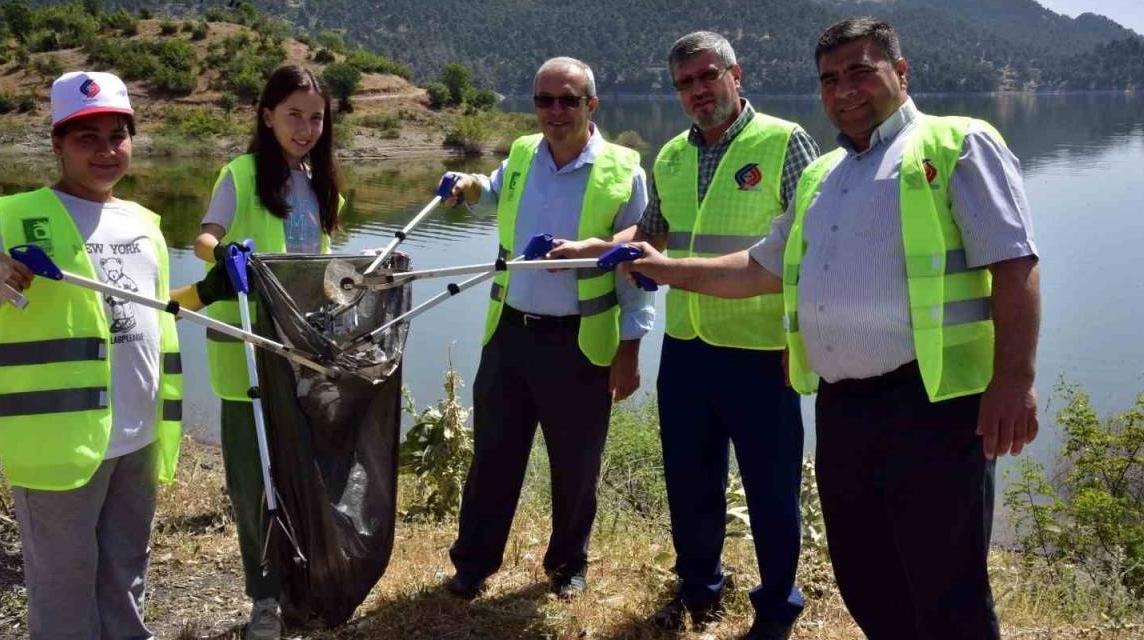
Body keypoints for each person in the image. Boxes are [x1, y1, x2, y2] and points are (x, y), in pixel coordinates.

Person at [616, 18, 1041, 640]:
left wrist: (1013, 381)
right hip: (844, 408)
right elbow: (757, 267)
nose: (844, 89)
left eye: (861, 71)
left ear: (901, 73)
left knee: (948, 588)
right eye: (830, 78)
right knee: (866, 577)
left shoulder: (957, 144)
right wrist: (663, 268)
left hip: (936, 405)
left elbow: (1015, 262)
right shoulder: (823, 178)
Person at [0, 71, 237, 640]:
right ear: (57, 144)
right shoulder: (18, 216)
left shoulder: (145, 222)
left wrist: (212, 288)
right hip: (57, 440)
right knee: (64, 582)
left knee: (125, 571)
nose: (105, 151)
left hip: (139, 433)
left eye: (117, 136)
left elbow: (149, 309)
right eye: (86, 138)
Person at [551, 31, 819, 639]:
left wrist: (801, 345)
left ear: (735, 74)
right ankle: (700, 590)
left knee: (772, 492)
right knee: (690, 481)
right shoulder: (671, 155)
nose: (698, 92)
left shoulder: (784, 142)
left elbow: (811, 245)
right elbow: (652, 235)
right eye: (685, 84)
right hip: (689, 351)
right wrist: (595, 248)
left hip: (763, 352)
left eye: (707, 77)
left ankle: (777, 609)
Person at [437, 56, 655, 600]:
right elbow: (494, 188)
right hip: (510, 335)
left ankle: (566, 567)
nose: (554, 111)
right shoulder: (521, 154)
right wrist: (467, 185)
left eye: (568, 100)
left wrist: (630, 348)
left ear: (591, 105)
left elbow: (636, 263)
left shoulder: (624, 170)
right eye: (544, 100)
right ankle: (474, 563)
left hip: (580, 343)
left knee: (575, 465)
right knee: (493, 454)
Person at [192, 64, 344, 640]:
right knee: (254, 481)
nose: (305, 128)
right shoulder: (242, 173)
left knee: (303, 474)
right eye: (293, 116)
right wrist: (224, 252)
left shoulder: (322, 182)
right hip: (249, 353)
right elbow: (205, 236)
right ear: (267, 116)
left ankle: (302, 582)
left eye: (315, 117)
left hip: (302, 352)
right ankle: (264, 599)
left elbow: (320, 264)